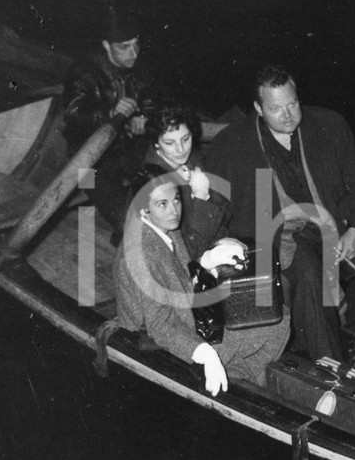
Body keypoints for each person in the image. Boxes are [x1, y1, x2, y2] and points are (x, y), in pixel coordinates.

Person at [202, 65, 355, 363]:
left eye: (292, 104)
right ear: (258, 108)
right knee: (309, 278)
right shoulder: (232, 145)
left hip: (334, 224)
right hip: (281, 238)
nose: (287, 115)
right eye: (275, 109)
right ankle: (328, 366)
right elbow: (219, 210)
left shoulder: (329, 125)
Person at [113, 167, 290, 393]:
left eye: (176, 199)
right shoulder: (139, 254)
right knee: (279, 323)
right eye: (162, 204)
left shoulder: (163, 226)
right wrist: (206, 354)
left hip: (187, 317)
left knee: (277, 316)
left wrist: (208, 261)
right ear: (143, 209)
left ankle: (236, 381)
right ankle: (238, 385)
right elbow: (160, 325)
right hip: (160, 344)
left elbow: (176, 276)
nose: (174, 210)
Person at [63, 6, 155, 243]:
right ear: (106, 45)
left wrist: (144, 115)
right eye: (124, 47)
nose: (133, 53)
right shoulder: (84, 72)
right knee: (128, 220)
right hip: (89, 163)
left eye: (136, 44)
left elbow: (152, 99)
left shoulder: (139, 67)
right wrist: (110, 112)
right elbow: (73, 113)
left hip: (130, 151)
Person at [143, 105, 232, 261]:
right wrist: (200, 195)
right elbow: (186, 252)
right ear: (156, 143)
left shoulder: (190, 159)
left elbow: (223, 206)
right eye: (169, 143)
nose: (181, 149)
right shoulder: (154, 184)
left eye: (185, 139)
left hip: (221, 238)